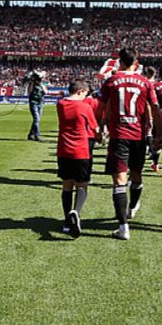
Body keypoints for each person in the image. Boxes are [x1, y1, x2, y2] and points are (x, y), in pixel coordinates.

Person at [99, 47, 161, 241]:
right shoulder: (145, 82)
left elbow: (102, 108)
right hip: (138, 136)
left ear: (119, 61)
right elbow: (155, 108)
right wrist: (158, 135)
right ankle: (133, 207)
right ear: (137, 62)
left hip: (119, 136)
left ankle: (123, 227)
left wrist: (100, 127)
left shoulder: (111, 81)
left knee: (119, 180)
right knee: (136, 175)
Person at [56, 79, 99, 238]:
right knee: (82, 186)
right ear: (80, 91)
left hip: (63, 150)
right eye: (85, 94)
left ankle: (67, 221)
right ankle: (76, 212)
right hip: (81, 150)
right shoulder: (85, 107)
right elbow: (95, 127)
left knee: (67, 186)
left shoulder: (60, 105)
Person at [26, 70, 48, 142]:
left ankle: (30, 135)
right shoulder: (32, 83)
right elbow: (29, 92)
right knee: (36, 119)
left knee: (37, 120)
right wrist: (32, 83)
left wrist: (41, 84)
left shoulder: (43, 84)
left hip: (40, 102)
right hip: (33, 102)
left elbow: (46, 92)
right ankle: (36, 135)